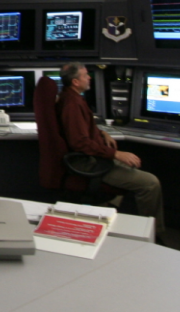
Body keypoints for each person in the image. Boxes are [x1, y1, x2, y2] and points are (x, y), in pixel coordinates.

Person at [56, 62, 165, 238]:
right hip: (89, 163)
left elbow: (81, 130)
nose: (89, 77)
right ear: (75, 82)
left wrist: (102, 132)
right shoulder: (72, 104)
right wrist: (116, 154)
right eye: (85, 75)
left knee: (134, 168)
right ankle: (153, 235)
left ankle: (113, 217)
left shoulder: (71, 98)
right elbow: (80, 143)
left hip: (93, 158)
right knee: (150, 184)